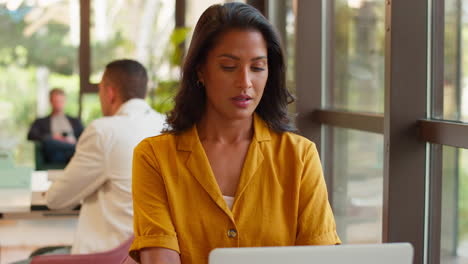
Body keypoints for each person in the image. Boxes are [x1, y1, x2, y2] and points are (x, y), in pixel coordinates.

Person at [129, 3, 340, 264]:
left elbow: (320, 256)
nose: (245, 83)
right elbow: (160, 257)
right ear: (200, 71)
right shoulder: (155, 157)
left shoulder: (299, 155)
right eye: (229, 67)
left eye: (257, 67)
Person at [44, 59, 165, 254]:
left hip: (107, 255)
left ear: (110, 93)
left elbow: (56, 200)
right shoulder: (169, 127)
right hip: (155, 255)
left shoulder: (104, 132)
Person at [27, 88, 84, 163]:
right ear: (50, 102)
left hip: (73, 154)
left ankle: (74, 147)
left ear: (65, 101)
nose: (58, 104)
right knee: (48, 141)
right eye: (56, 101)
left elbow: (85, 137)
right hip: (56, 154)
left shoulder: (75, 121)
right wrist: (54, 137)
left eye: (61, 101)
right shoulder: (41, 122)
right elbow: (31, 135)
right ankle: (74, 147)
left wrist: (70, 141)